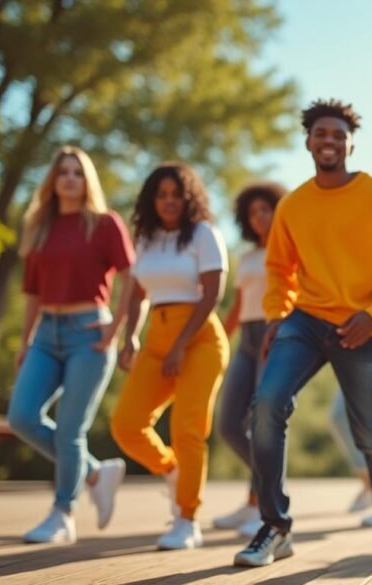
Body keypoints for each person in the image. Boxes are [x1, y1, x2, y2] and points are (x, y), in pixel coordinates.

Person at [234, 99, 372, 567]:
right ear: (308, 142)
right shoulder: (293, 205)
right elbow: (280, 270)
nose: (330, 141)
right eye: (321, 134)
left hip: (363, 325)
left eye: (339, 135)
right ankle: (274, 527)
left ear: (351, 144)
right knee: (266, 405)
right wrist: (277, 316)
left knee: (371, 432)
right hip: (306, 320)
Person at [8, 146, 132, 544]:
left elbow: (132, 278)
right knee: (21, 417)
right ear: (53, 180)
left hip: (89, 334)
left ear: (86, 180)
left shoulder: (104, 223)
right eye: (62, 171)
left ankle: (63, 514)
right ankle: (96, 472)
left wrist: (116, 329)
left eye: (77, 172)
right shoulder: (39, 227)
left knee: (69, 429)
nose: (69, 178)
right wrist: (26, 341)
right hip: (46, 335)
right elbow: (32, 292)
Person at [110, 162, 230, 550]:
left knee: (187, 429)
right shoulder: (145, 238)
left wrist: (180, 345)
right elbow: (137, 295)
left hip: (200, 339)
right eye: (161, 195)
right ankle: (172, 470)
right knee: (126, 424)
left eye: (176, 194)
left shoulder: (204, 234)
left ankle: (186, 519)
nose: (169, 201)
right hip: (157, 337)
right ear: (151, 200)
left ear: (189, 198)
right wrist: (130, 337)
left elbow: (212, 294)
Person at [212, 182, 286, 538]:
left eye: (265, 210)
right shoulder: (246, 258)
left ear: (277, 210)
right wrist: (219, 339)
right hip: (245, 339)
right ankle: (255, 500)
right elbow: (239, 305)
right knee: (228, 425)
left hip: (274, 335)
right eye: (252, 212)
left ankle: (264, 504)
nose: (258, 217)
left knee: (263, 423)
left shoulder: (288, 250)